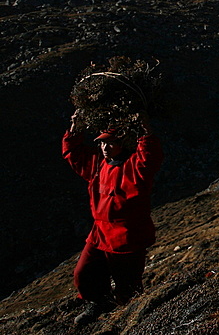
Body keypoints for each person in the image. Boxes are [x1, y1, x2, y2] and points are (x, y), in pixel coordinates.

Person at [63, 102, 163, 327]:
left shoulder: (134, 167)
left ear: (123, 143)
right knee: (83, 274)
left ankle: (132, 323)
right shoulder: (98, 165)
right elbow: (73, 154)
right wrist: (74, 129)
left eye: (110, 142)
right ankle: (100, 303)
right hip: (100, 233)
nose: (105, 147)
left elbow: (150, 156)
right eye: (102, 143)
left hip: (127, 236)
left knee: (128, 288)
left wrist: (146, 130)